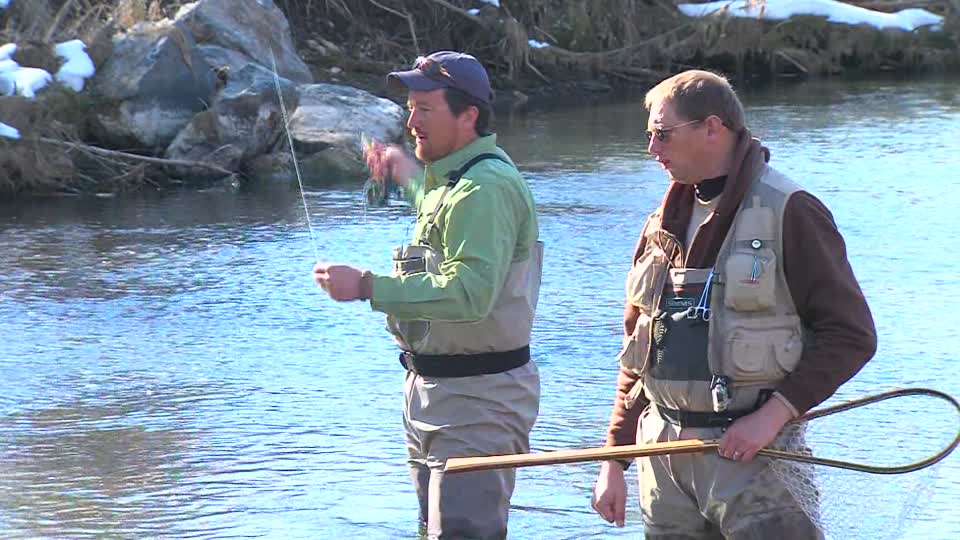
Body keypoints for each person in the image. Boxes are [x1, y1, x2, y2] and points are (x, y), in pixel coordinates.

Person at [590, 70, 877, 539]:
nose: (652, 148)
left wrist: (773, 415)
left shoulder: (792, 210)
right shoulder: (659, 225)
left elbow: (852, 335)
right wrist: (614, 459)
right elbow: (635, 352)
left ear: (712, 128)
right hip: (662, 467)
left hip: (758, 461)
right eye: (649, 136)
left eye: (663, 134)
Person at [313, 50, 542, 540]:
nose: (410, 121)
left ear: (468, 115)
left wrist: (367, 287)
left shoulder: (484, 187)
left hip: (477, 403)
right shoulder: (454, 180)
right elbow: (446, 215)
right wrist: (405, 175)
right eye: (410, 108)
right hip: (434, 396)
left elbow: (470, 293)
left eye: (424, 109)